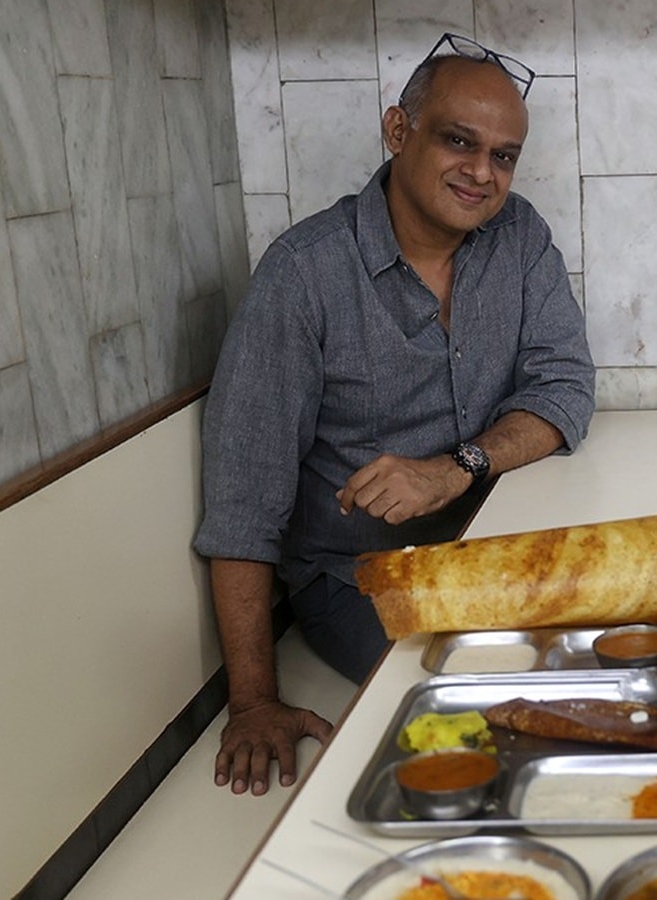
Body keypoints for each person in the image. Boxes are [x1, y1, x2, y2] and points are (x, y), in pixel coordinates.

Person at [193, 34, 595, 794]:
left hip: (495, 558)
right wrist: (252, 700)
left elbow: (565, 387)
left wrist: (456, 469)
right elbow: (244, 505)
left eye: (504, 155)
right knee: (485, 718)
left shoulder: (521, 239)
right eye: (458, 141)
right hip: (360, 580)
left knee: (620, 661)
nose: (482, 173)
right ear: (397, 130)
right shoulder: (302, 275)